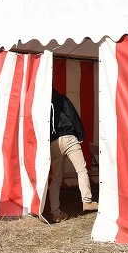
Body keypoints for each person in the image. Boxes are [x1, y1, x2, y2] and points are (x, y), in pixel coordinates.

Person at [48, 88, 98, 223]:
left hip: (53, 142)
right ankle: (87, 201)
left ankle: (55, 213)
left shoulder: (41, 102)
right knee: (81, 170)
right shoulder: (62, 99)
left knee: (56, 179)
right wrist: (80, 135)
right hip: (69, 137)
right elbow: (73, 116)